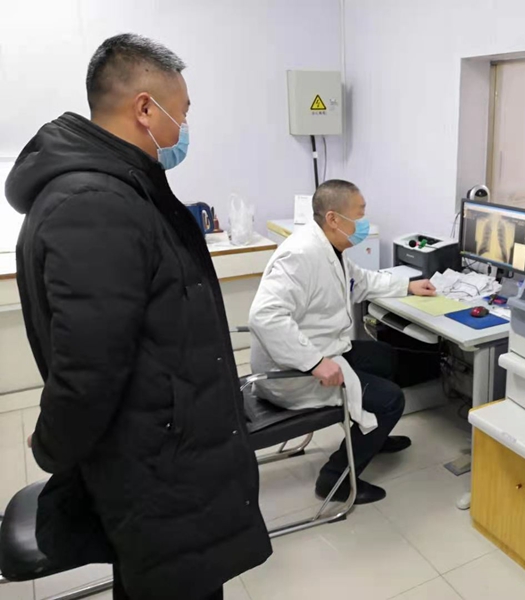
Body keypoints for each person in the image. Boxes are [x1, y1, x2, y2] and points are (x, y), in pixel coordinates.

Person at [5, 34, 271, 600]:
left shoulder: (123, 190)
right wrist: (52, 445)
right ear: (145, 108)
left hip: (168, 456)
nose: (185, 127)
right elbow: (88, 370)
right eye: (183, 112)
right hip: (158, 469)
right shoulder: (96, 205)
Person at [249, 179, 437, 504]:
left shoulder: (331, 249)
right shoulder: (301, 254)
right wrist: (315, 363)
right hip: (293, 372)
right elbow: (264, 316)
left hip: (323, 350)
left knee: (385, 357)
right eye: (360, 214)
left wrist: (407, 286)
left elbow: (360, 281)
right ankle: (335, 480)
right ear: (333, 218)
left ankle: (373, 435)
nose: (364, 222)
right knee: (391, 400)